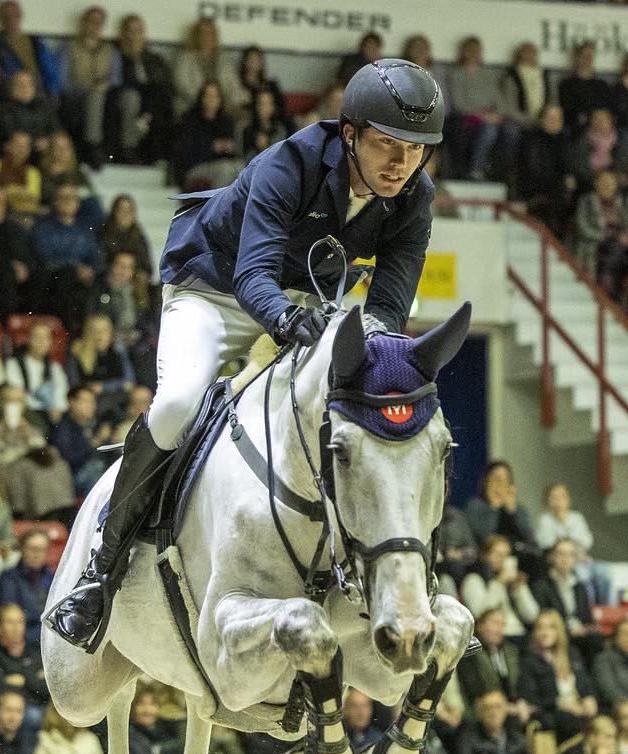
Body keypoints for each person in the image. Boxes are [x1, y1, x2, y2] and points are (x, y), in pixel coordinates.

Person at [47, 58, 445, 647]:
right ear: (352, 134)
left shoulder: (415, 197)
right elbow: (253, 271)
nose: (401, 165)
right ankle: (101, 568)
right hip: (217, 289)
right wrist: (288, 320)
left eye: (416, 151)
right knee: (180, 401)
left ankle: (398, 581)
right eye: (388, 146)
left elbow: (388, 309)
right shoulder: (289, 164)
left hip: (310, 303)